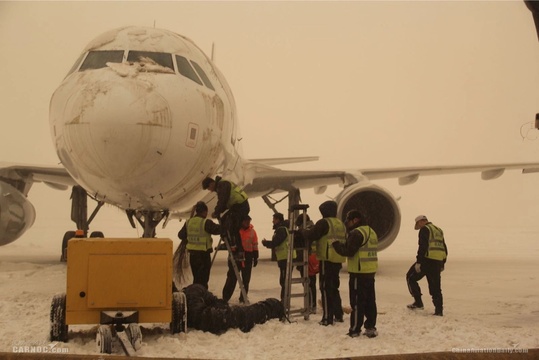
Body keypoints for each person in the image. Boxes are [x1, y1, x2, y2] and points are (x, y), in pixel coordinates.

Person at [332, 210, 378, 338]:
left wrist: (336, 245)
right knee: (370, 302)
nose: (347, 223)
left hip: (358, 272)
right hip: (370, 271)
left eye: (349, 220)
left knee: (357, 302)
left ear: (356, 220)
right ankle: (370, 327)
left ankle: (355, 329)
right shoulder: (371, 231)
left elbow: (349, 251)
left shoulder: (356, 233)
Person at [302, 200, 346, 326]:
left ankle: (327, 317)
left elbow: (312, 234)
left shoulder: (324, 223)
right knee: (334, 288)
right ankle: (338, 314)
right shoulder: (340, 223)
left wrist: (303, 231)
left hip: (327, 260)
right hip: (338, 259)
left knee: (325, 288)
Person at [406, 215, 448, 316]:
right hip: (437, 262)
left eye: (418, 225)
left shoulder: (425, 229)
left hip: (426, 261)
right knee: (436, 286)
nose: (419, 227)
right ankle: (439, 310)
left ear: (421, 222)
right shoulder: (438, 230)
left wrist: (419, 262)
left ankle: (418, 302)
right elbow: (444, 247)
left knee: (410, 277)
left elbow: (423, 246)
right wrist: (442, 262)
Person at [202, 176, 250, 259]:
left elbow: (223, 201)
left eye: (209, 188)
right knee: (234, 228)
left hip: (239, 206)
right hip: (240, 206)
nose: (210, 190)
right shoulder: (223, 184)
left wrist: (216, 212)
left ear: (212, 183)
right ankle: (238, 249)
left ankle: (231, 243)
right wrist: (218, 212)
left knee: (228, 223)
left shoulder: (222, 185)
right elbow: (224, 203)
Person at [177, 201, 221, 289]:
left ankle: (197, 294)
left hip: (193, 255)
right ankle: (200, 296)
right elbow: (217, 230)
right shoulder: (205, 222)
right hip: (203, 255)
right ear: (204, 211)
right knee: (203, 280)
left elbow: (181, 235)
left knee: (197, 278)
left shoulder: (188, 222)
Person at [222, 215, 259, 303]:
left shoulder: (252, 232)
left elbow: (255, 244)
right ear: (241, 221)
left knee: (246, 280)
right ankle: (225, 297)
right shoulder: (235, 231)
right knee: (232, 278)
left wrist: (256, 256)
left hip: (248, 256)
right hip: (236, 256)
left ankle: (243, 298)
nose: (247, 223)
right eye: (245, 221)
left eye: (248, 221)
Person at [261, 213, 296, 301]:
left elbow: (276, 242)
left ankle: (284, 300)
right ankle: (285, 299)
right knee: (284, 280)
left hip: (285, 257)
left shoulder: (281, 230)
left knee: (284, 280)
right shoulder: (284, 229)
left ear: (278, 220)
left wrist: (266, 243)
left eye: (274, 219)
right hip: (285, 257)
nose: (273, 221)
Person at [294, 214, 318, 314]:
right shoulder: (313, 228)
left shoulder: (306, 231)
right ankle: (311, 305)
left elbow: (303, 244)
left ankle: (311, 306)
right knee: (311, 283)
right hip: (313, 258)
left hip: (308, 259)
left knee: (309, 284)